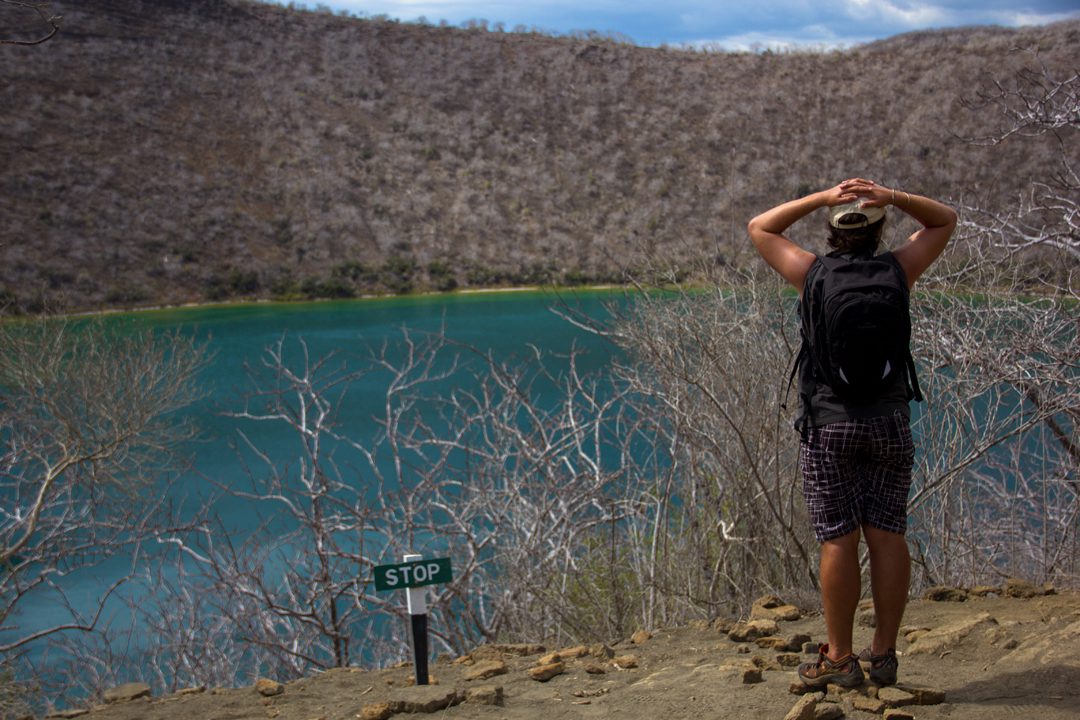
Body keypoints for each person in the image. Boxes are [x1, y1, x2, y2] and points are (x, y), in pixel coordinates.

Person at [747, 178, 957, 687]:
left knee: (837, 541)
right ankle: (883, 655)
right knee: (888, 535)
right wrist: (896, 196)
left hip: (829, 424)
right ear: (879, 230)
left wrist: (821, 198)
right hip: (888, 421)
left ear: (832, 233)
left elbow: (760, 227)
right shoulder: (898, 269)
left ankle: (839, 659)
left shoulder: (811, 274)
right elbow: (945, 219)